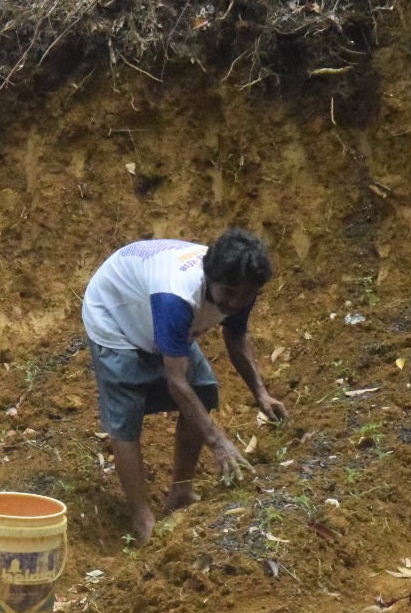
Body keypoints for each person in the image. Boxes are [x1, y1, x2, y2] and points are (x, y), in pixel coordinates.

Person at [81, 229, 287, 543]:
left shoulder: (241, 284)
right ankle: (141, 519)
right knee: (126, 415)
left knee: (203, 388)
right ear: (209, 277)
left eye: (244, 296)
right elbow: (176, 383)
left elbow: (235, 336)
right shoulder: (177, 296)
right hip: (116, 316)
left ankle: (180, 492)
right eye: (228, 293)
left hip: (157, 313)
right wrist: (218, 442)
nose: (234, 303)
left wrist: (260, 392)